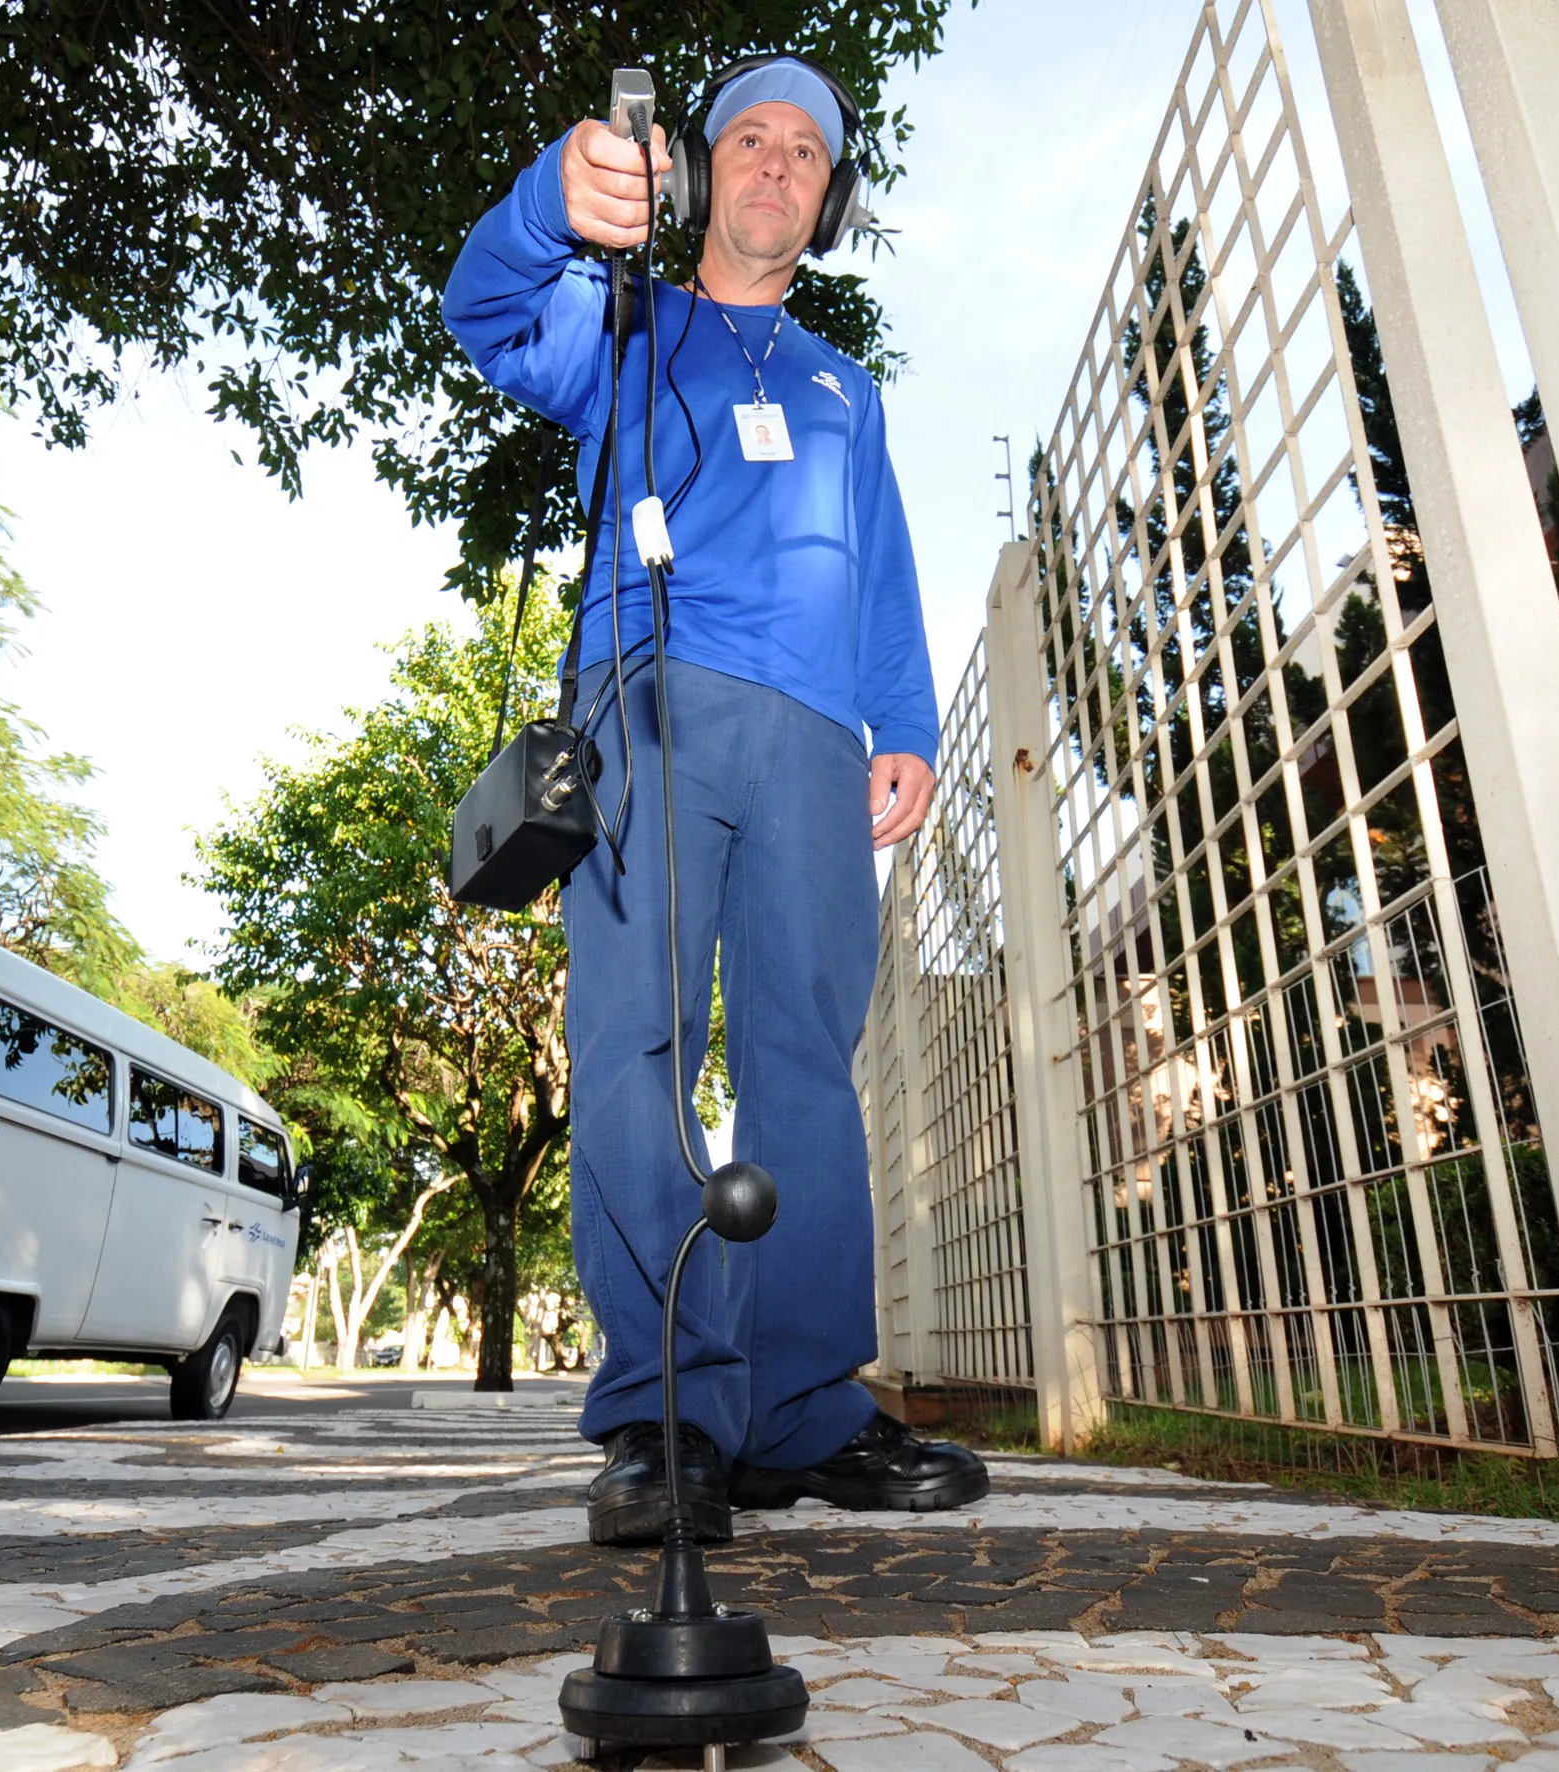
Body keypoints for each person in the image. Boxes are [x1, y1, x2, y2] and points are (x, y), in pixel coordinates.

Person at [443, 56, 989, 1545]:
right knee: (637, 1042)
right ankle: (666, 1413)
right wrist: (547, 207)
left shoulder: (843, 388)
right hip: (652, 711)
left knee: (808, 1063)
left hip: (818, 740)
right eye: (752, 137)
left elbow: (884, 568)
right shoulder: (623, 324)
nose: (778, 165)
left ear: (828, 200)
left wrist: (912, 723)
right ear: (695, 173)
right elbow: (483, 313)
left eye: (809, 152)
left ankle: (806, 1411)